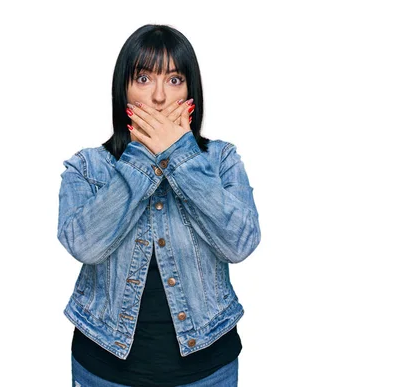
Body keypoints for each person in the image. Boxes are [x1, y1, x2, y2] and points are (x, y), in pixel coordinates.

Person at [57, 24, 261, 387]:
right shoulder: (86, 167)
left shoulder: (221, 159)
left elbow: (240, 243)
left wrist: (181, 154)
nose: (159, 98)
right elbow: (84, 245)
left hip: (208, 370)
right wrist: (142, 158)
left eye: (174, 79)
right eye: (144, 77)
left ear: (190, 90)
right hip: (104, 369)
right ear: (124, 89)